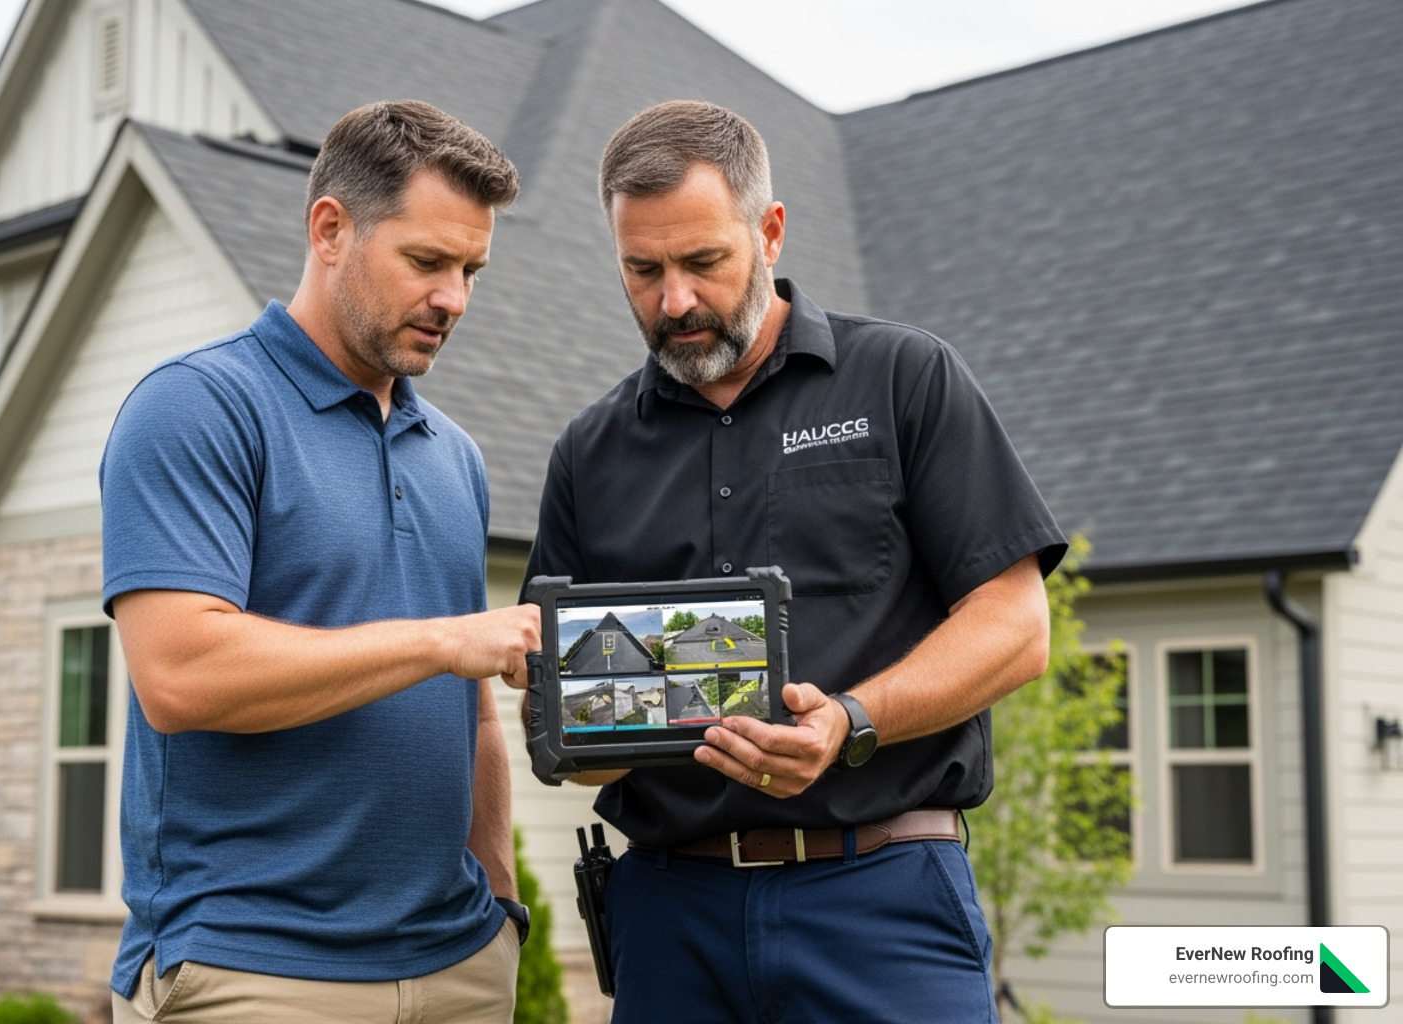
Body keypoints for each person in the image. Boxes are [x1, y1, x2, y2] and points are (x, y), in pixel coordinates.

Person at [519, 100, 1069, 1023]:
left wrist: (851, 721)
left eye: (703, 262)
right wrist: (573, 720)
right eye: (643, 270)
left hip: (882, 899)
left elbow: (1016, 629)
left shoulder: (905, 378)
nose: (674, 301)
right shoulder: (590, 450)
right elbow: (565, 727)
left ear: (769, 231)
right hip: (668, 917)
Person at [101, 100, 541, 1024]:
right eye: (427, 261)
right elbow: (179, 674)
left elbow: (472, 714)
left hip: (459, 966)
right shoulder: (198, 408)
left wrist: (499, 901)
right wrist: (437, 642)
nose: (454, 298)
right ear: (331, 230)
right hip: (254, 970)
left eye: (470, 270)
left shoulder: (454, 455)